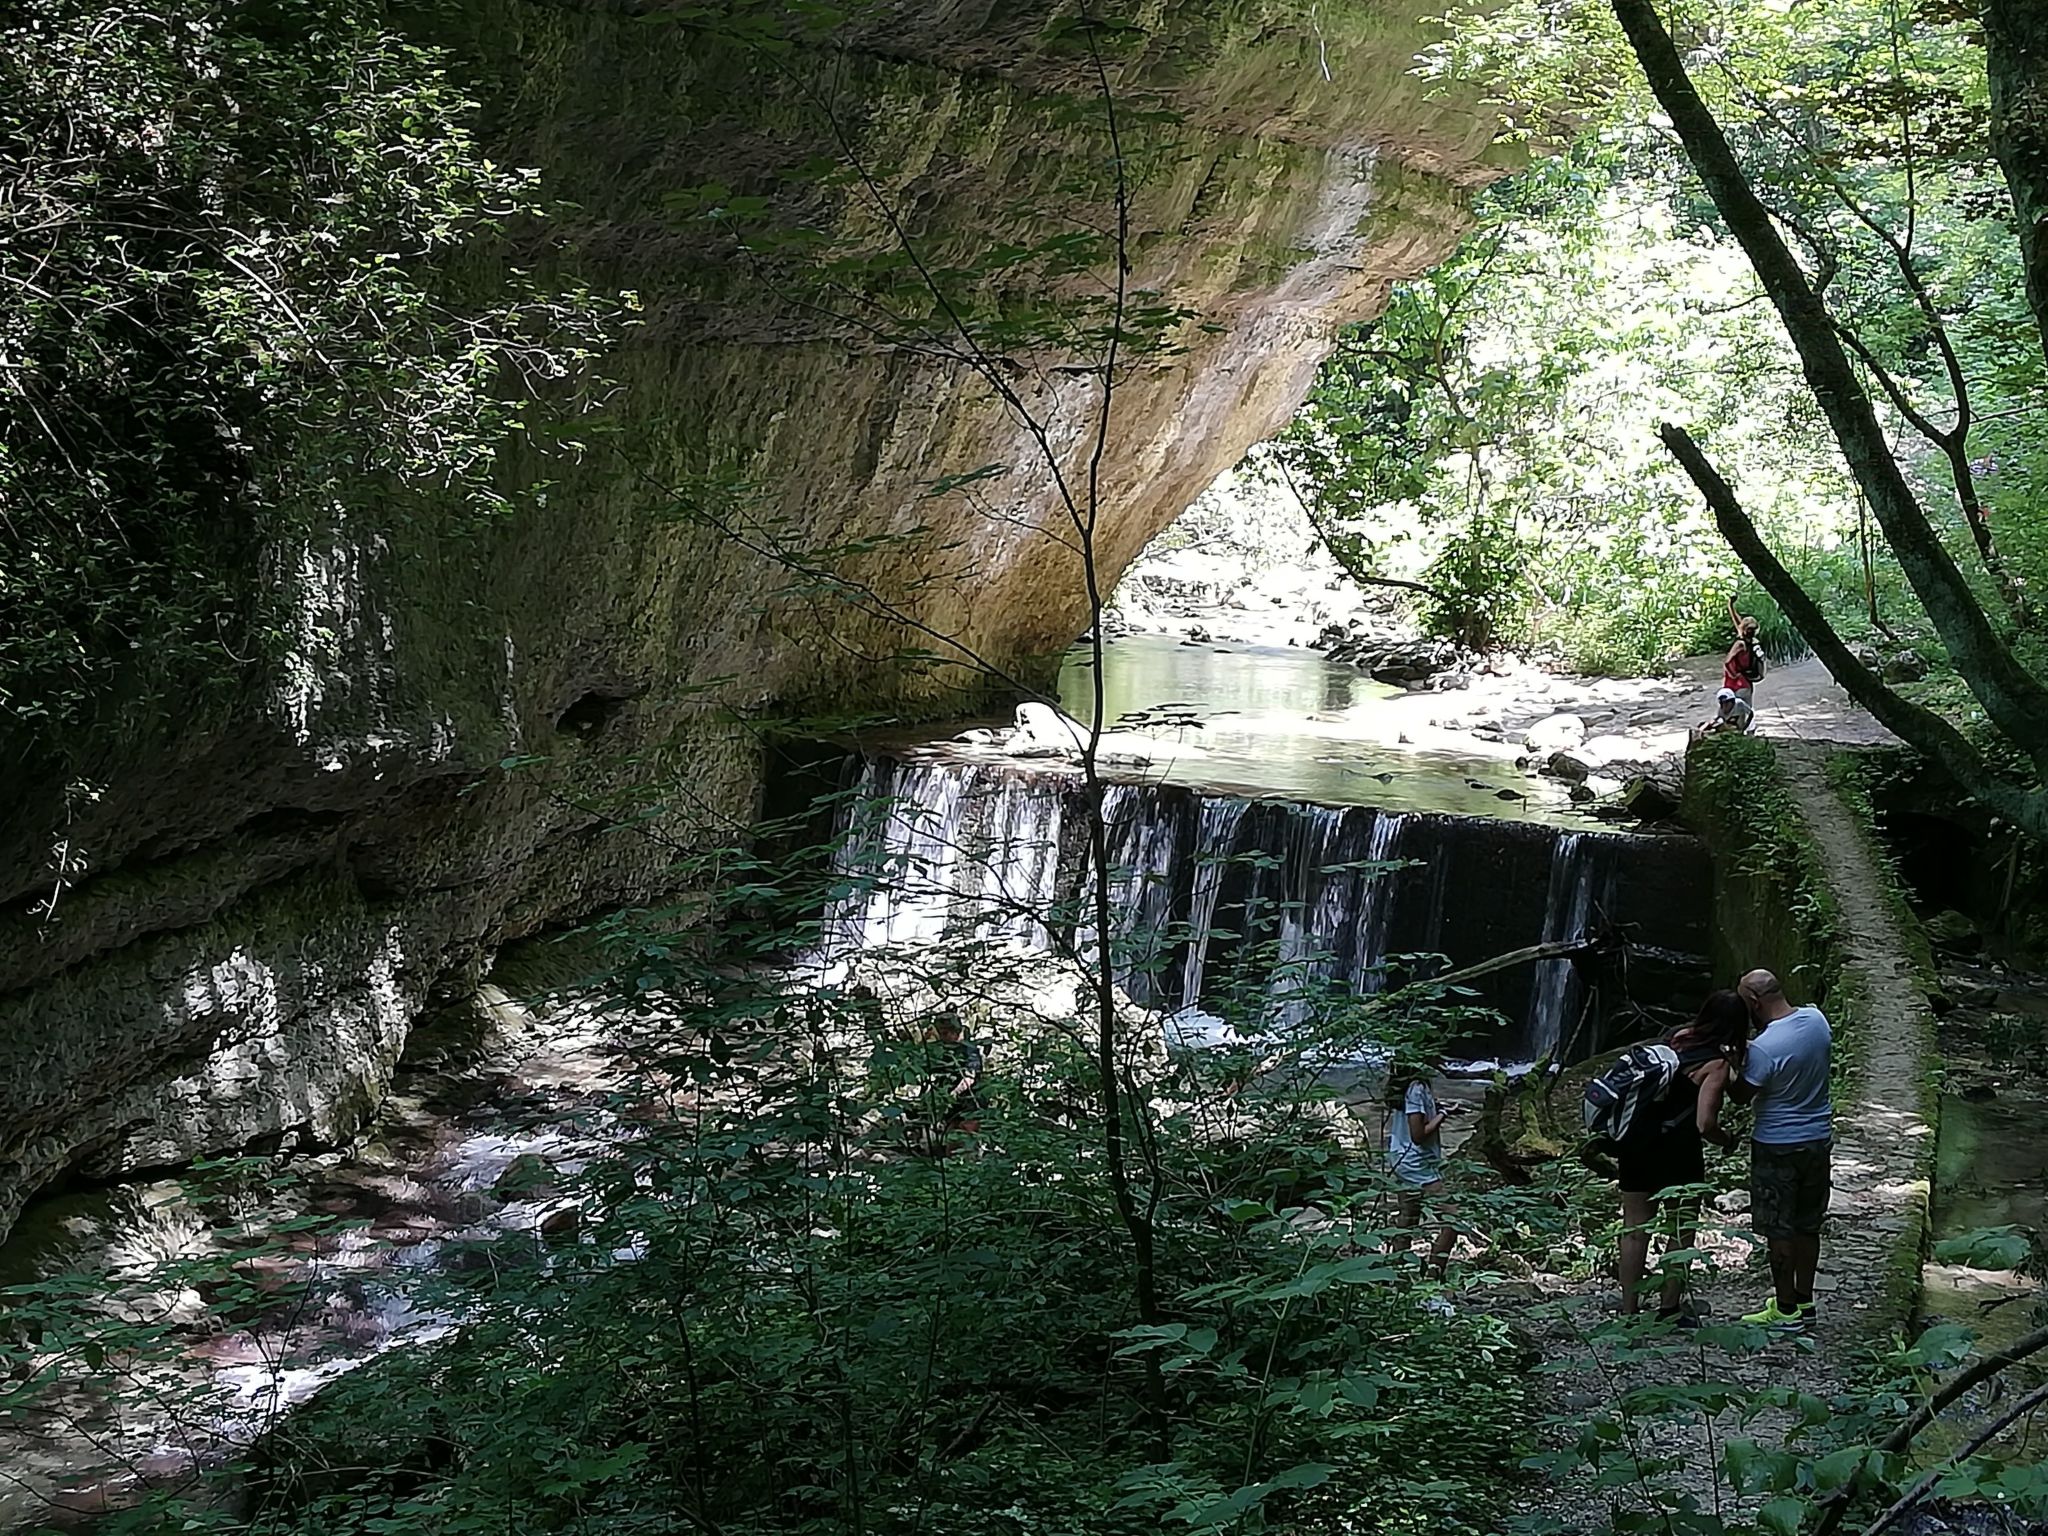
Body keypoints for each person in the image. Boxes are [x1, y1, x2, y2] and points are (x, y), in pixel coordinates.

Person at [1614, 992, 1749, 1321]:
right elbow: (1705, 1122)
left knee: (1634, 1228)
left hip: (1636, 1142)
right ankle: (1669, 1309)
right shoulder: (1715, 1063)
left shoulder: (1677, 1038)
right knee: (1680, 1230)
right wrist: (1727, 1139)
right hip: (1678, 1151)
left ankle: (1629, 1311)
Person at [1728, 969, 1833, 1331]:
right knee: (1808, 1225)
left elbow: (1741, 1097)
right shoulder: (1817, 1021)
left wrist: (1730, 1065)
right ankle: (1805, 1300)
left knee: (1779, 1230)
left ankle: (1785, 1309)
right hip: (1817, 1139)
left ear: (1753, 1002)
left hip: (1776, 1144)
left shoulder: (1764, 1049)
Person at [1384, 1060, 1458, 1278]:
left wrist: (1441, 1109)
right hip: (1417, 1164)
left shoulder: (1405, 1086)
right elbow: (1418, 1134)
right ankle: (1434, 1275)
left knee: (1408, 1217)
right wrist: (1442, 1115)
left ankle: (1397, 1275)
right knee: (1453, 1221)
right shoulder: (1416, 1088)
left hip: (1400, 1157)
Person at [929, 1009, 985, 1139]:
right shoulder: (944, 1049)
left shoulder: (969, 1050)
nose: (942, 1037)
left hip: (970, 1104)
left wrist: (952, 1094)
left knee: (963, 1141)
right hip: (952, 1108)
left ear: (955, 1032)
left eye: (945, 1033)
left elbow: (970, 1077)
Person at [1718, 600, 1766, 730]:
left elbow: (1739, 624)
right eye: (1750, 629)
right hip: (1741, 682)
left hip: (1732, 683)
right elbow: (1727, 662)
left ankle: (1735, 734)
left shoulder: (1744, 640)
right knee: (1743, 711)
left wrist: (1730, 606)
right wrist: (1736, 675)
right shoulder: (1743, 643)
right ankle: (1745, 734)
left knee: (1730, 710)